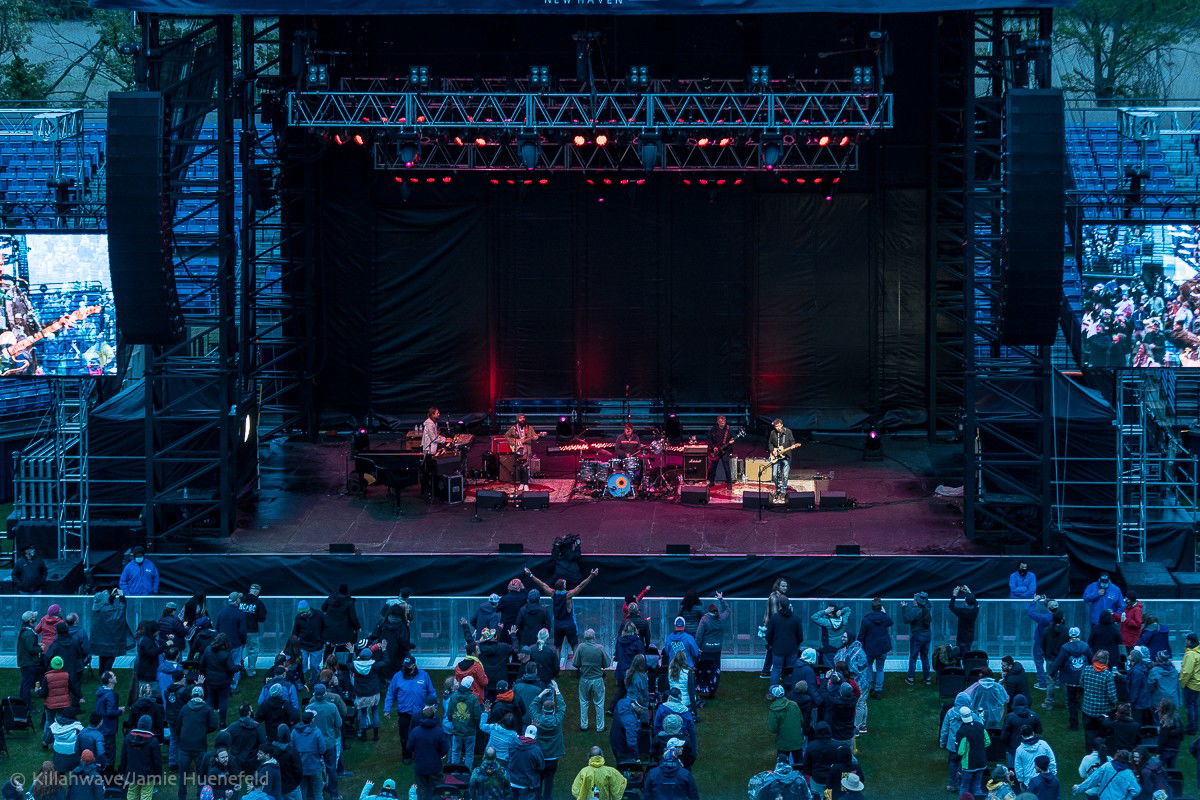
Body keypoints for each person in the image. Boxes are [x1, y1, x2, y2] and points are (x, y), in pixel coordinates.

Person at [524, 566, 599, 663]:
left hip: (558, 625)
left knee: (558, 647)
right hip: (569, 625)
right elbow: (581, 586)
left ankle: (557, 667)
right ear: (563, 586)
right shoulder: (568, 595)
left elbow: (541, 584)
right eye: (565, 583)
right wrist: (591, 576)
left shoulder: (553, 594)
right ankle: (577, 666)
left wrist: (530, 575)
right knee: (574, 646)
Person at [383, 655, 435, 764]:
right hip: (404, 713)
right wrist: (387, 709)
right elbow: (390, 693)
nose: (405, 668)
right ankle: (406, 755)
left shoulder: (424, 675)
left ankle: (418, 754)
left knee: (420, 735)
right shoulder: (397, 676)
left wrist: (433, 706)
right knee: (404, 736)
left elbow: (431, 692)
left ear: (414, 665)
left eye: (408, 666)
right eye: (404, 666)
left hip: (420, 713)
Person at [177, 687, 218, 800]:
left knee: (183, 775)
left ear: (192, 695)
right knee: (202, 774)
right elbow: (214, 725)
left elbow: (177, 726)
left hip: (184, 746)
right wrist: (204, 731)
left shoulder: (185, 708)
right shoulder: (207, 709)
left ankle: (182, 797)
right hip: (200, 746)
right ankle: (200, 796)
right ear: (202, 696)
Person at [1049, 626, 1092, 730]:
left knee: (1071, 702)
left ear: (1069, 636)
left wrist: (1051, 674)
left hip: (1069, 679)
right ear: (1079, 635)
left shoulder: (1065, 648)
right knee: (1084, 701)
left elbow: (1058, 662)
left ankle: (1074, 725)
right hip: (1083, 678)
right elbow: (1092, 660)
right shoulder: (1085, 646)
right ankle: (1087, 723)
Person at [529, 683, 566, 800]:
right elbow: (562, 706)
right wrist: (557, 690)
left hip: (540, 756)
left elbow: (532, 706)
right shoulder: (557, 719)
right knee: (549, 780)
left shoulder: (538, 719)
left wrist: (542, 694)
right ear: (553, 709)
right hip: (553, 757)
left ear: (543, 709)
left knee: (538, 779)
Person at [303, 689, 340, 799]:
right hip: (329, 743)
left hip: (313, 744)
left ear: (314, 694)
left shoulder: (308, 708)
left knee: (316, 768)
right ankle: (334, 794)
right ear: (325, 694)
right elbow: (339, 723)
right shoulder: (332, 707)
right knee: (331, 768)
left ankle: (319, 792)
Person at [571, 629, 608, 733]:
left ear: (585, 637)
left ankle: (584, 725)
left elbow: (575, 663)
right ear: (594, 637)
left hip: (584, 679)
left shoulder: (581, 647)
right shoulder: (600, 648)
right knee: (599, 703)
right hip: (597, 679)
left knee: (583, 702)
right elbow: (607, 663)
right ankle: (600, 727)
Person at [407, 706, 447, 800]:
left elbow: (408, 747)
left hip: (420, 767)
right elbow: (445, 749)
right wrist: (438, 755)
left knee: (422, 790)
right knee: (436, 790)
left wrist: (417, 753)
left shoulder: (415, 732)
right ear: (433, 716)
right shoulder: (439, 731)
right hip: (435, 767)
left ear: (423, 716)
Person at [695, 593, 729, 698]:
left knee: (703, 671)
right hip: (717, 650)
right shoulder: (721, 618)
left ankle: (703, 689)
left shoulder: (704, 619)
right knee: (715, 670)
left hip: (705, 650)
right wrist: (721, 599)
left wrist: (696, 648)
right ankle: (712, 691)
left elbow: (699, 636)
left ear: (708, 611)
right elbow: (727, 610)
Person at [90, 589, 132, 675]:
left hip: (100, 642)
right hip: (111, 642)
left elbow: (107, 605)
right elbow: (121, 610)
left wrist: (112, 597)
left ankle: (102, 675)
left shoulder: (96, 610)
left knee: (102, 658)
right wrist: (121, 596)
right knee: (109, 660)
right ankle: (106, 677)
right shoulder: (110, 611)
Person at [1082, 650, 1118, 751]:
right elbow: (1112, 695)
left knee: (1089, 732)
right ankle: (1102, 752)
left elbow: (1081, 683)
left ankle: (1089, 752)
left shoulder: (1087, 669)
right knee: (1103, 734)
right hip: (1103, 711)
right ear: (1106, 660)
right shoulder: (1108, 675)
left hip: (1088, 709)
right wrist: (1115, 704)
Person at [120, 713, 162, 800]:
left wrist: (123, 772)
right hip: (148, 775)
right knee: (146, 795)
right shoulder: (153, 741)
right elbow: (157, 761)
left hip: (132, 773)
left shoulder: (128, 738)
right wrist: (158, 776)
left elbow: (123, 757)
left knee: (132, 794)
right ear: (150, 726)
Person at [857, 598, 892, 698]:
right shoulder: (884, 618)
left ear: (872, 608)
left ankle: (869, 687)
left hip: (869, 649)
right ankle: (878, 690)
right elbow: (890, 622)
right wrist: (884, 613)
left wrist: (858, 645)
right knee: (880, 669)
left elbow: (861, 635)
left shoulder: (866, 619)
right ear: (881, 608)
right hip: (882, 648)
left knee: (868, 667)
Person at [1072, 749, 1140, 799]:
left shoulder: (1107, 766)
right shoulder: (1129, 773)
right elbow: (1136, 790)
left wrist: (1079, 788)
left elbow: (1092, 780)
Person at [956, 705, 990, 798]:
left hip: (968, 764)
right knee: (977, 786)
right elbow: (988, 741)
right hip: (981, 762)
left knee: (964, 787)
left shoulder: (962, 731)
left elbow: (960, 751)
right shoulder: (980, 726)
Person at [291, 710, 326, 800]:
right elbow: (322, 749)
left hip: (301, 767)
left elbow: (291, 748)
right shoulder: (316, 732)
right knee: (318, 793)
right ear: (312, 720)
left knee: (303, 793)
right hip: (315, 766)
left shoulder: (294, 732)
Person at [448, 677, 482, 768]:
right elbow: (477, 716)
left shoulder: (453, 697)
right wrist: (476, 726)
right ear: (470, 686)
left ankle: (454, 772)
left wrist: (455, 722)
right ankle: (467, 773)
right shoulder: (473, 698)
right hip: (470, 731)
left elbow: (449, 715)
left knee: (455, 752)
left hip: (457, 730)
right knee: (469, 754)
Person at [759, 578, 790, 678]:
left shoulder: (780, 597)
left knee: (771, 650)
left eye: (786, 586)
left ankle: (766, 671)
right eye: (783, 586)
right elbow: (776, 616)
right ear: (777, 586)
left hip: (774, 628)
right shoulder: (774, 598)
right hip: (775, 628)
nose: (785, 588)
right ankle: (777, 672)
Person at [767, 684, 805, 765]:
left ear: (774, 696)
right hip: (797, 741)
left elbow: (773, 729)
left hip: (783, 743)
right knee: (800, 765)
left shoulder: (774, 709)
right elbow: (801, 721)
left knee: (782, 765)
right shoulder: (794, 704)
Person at [291, 601, 326, 688]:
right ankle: (301, 682)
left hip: (317, 646)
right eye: (301, 613)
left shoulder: (319, 615)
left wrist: (323, 640)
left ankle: (314, 682)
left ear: (308, 609)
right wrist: (294, 642)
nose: (302, 614)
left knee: (315, 666)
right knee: (302, 666)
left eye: (304, 612)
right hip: (303, 646)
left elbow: (326, 627)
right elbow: (295, 631)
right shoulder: (298, 617)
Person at [1025, 595, 1057, 692]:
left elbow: (1030, 613)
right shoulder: (1059, 617)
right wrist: (1047, 601)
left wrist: (1034, 600)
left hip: (1040, 643)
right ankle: (1055, 681)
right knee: (1053, 662)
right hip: (1053, 643)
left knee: (1039, 662)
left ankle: (1042, 683)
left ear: (1048, 608)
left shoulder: (1044, 618)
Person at [504, 413, 541, 493]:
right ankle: (522, 483)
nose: (522, 419)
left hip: (526, 450)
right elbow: (506, 436)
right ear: (517, 419)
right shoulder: (514, 428)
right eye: (520, 418)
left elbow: (535, 436)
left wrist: (536, 437)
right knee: (520, 467)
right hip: (518, 449)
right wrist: (515, 441)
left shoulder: (529, 428)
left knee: (525, 466)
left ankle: (526, 484)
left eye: (523, 418)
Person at [901, 592, 933, 685]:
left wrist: (903, 607)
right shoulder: (927, 607)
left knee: (913, 657)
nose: (913, 601)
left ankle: (910, 678)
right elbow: (926, 601)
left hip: (917, 637)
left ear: (917, 602)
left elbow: (906, 619)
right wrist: (921, 595)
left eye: (914, 600)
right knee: (925, 657)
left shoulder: (916, 610)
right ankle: (927, 678)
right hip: (927, 636)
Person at [507, 725, 545, 800]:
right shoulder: (536, 750)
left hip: (512, 781)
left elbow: (508, 758)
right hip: (527, 784)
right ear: (535, 736)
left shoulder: (513, 744)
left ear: (525, 733)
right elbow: (541, 767)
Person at [322, 584, 361, 656]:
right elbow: (353, 617)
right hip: (344, 633)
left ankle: (326, 662)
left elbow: (323, 608)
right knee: (346, 649)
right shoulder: (349, 602)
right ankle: (346, 662)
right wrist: (358, 627)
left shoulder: (330, 599)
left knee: (328, 649)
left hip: (330, 630)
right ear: (347, 591)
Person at [811, 602, 852, 670]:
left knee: (829, 669)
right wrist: (841, 611)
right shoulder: (844, 621)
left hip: (828, 649)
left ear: (830, 613)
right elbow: (848, 609)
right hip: (840, 648)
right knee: (839, 668)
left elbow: (814, 617)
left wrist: (824, 611)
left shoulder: (826, 622)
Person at [238, 584, 268, 677]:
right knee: (253, 651)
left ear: (250, 590)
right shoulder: (259, 603)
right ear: (257, 592)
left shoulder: (240, 599)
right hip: (252, 631)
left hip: (239, 630)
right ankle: (251, 671)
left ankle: (238, 669)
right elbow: (262, 619)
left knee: (239, 650)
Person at [420, 407, 448, 502]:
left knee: (431, 473)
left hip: (431, 451)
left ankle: (433, 491)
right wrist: (445, 440)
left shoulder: (432, 423)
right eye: (437, 413)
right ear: (432, 414)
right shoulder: (429, 424)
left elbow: (435, 436)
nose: (439, 414)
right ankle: (431, 492)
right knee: (431, 473)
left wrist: (444, 439)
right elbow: (434, 439)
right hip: (429, 452)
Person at [95, 670, 123, 765]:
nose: (116, 677)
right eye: (114, 676)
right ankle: (109, 770)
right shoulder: (111, 694)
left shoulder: (101, 692)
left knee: (101, 750)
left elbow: (104, 707)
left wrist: (116, 708)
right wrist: (120, 711)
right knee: (110, 752)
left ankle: (101, 768)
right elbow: (110, 712)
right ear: (110, 680)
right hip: (108, 727)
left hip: (100, 726)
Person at [766, 418, 798, 500]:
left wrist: (793, 445)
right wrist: (772, 450)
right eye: (776, 426)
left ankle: (783, 491)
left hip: (786, 456)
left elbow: (792, 441)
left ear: (782, 425)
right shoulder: (772, 433)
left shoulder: (788, 432)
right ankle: (778, 489)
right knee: (774, 475)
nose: (778, 428)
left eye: (779, 426)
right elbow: (770, 443)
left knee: (785, 475)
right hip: (776, 456)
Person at [610, 695, 645, 764]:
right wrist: (637, 757)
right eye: (643, 710)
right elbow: (631, 741)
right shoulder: (630, 720)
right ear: (638, 707)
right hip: (621, 745)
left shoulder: (622, 701)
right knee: (625, 764)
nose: (643, 712)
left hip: (614, 736)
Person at [18, 610, 42, 708]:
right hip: (29, 662)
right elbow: (31, 649)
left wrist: (36, 644)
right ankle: (27, 706)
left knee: (25, 682)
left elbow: (29, 645)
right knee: (27, 684)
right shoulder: (29, 633)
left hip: (25, 661)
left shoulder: (26, 630)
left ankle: (21, 701)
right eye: (33, 616)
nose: (35, 617)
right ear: (29, 620)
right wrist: (40, 648)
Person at [949, 585, 980, 652]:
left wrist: (954, 595)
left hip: (961, 638)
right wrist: (969, 592)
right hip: (970, 637)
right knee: (967, 652)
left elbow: (951, 606)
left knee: (961, 654)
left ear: (965, 603)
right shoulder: (975, 611)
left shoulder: (962, 611)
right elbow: (976, 602)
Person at [707, 415, 735, 487]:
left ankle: (729, 483)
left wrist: (732, 441)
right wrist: (713, 447)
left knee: (726, 466)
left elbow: (733, 437)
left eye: (724, 422)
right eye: (721, 422)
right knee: (713, 467)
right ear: (718, 422)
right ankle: (711, 481)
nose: (723, 423)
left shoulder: (728, 428)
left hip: (725, 450)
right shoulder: (714, 429)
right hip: (716, 451)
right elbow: (709, 439)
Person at [1181, 631, 1200, 734]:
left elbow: (1187, 672)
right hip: (1197, 683)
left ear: (1190, 641)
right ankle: (1195, 725)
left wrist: (1183, 683)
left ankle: (1192, 728)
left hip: (1190, 685)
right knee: (1195, 705)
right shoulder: (1197, 651)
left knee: (1190, 706)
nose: (1185, 641)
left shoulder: (1190, 654)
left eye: (1186, 639)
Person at [1155, 699, 1182, 769]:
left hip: (1165, 749)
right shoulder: (1178, 719)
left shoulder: (1165, 721)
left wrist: (1158, 751)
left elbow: (1162, 738)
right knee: (1172, 769)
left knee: (1161, 770)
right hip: (1175, 748)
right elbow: (1182, 735)